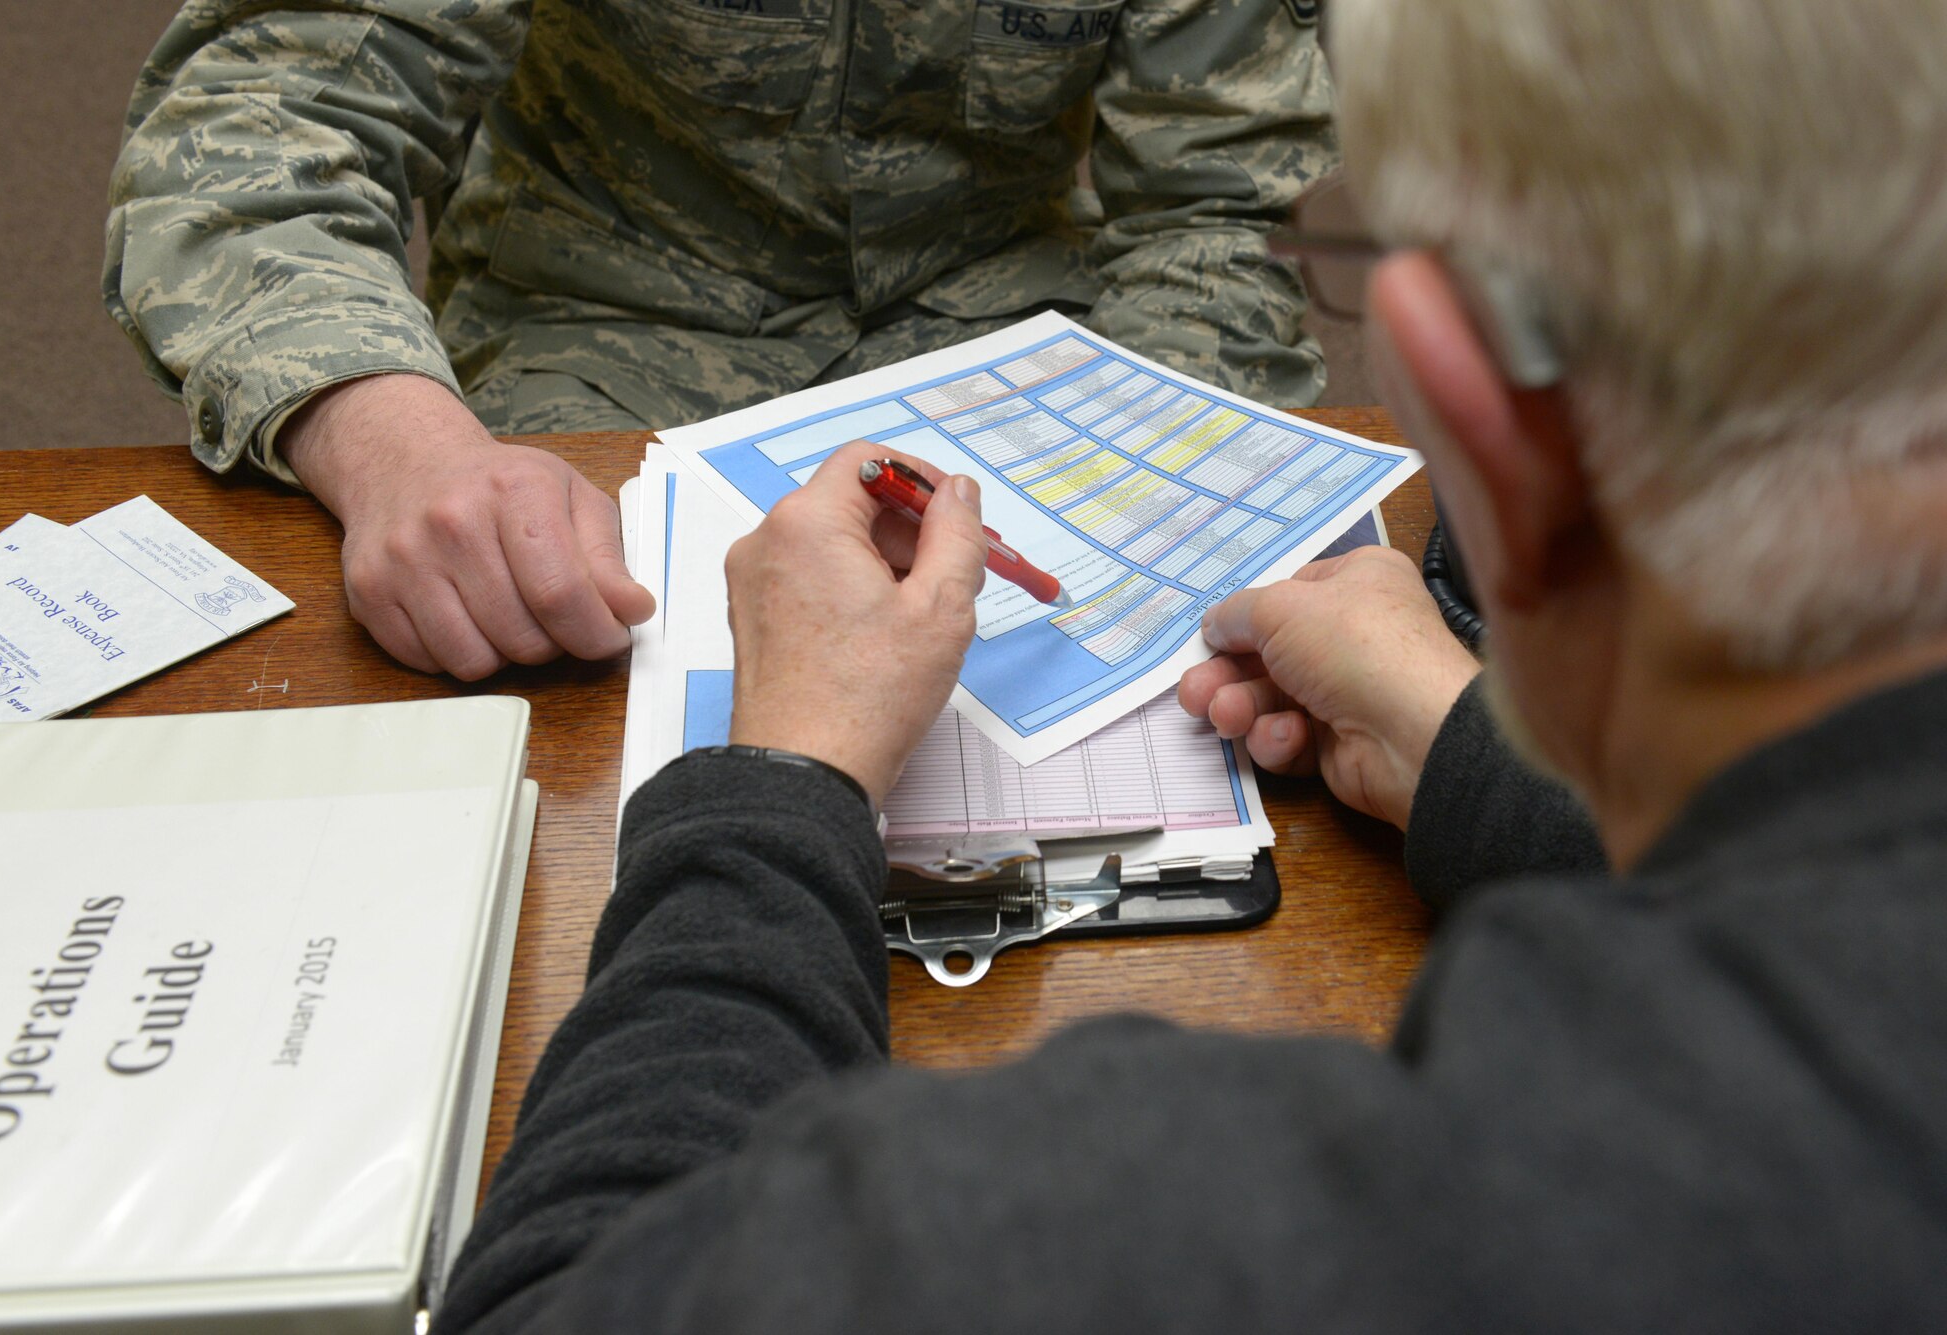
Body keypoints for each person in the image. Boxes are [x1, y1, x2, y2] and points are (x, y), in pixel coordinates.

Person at [438, 0, 1947, 1330]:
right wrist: (1468, 745)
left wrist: (785, 779)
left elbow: (579, 1285)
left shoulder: (1243, 1224)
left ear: (1462, 407)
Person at [103, 1, 1336, 681]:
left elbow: (1214, 203)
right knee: (528, 678)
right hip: (603, 312)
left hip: (996, 322)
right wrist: (394, 449)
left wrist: (1163, 478)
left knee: (1160, 715)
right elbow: (263, 126)